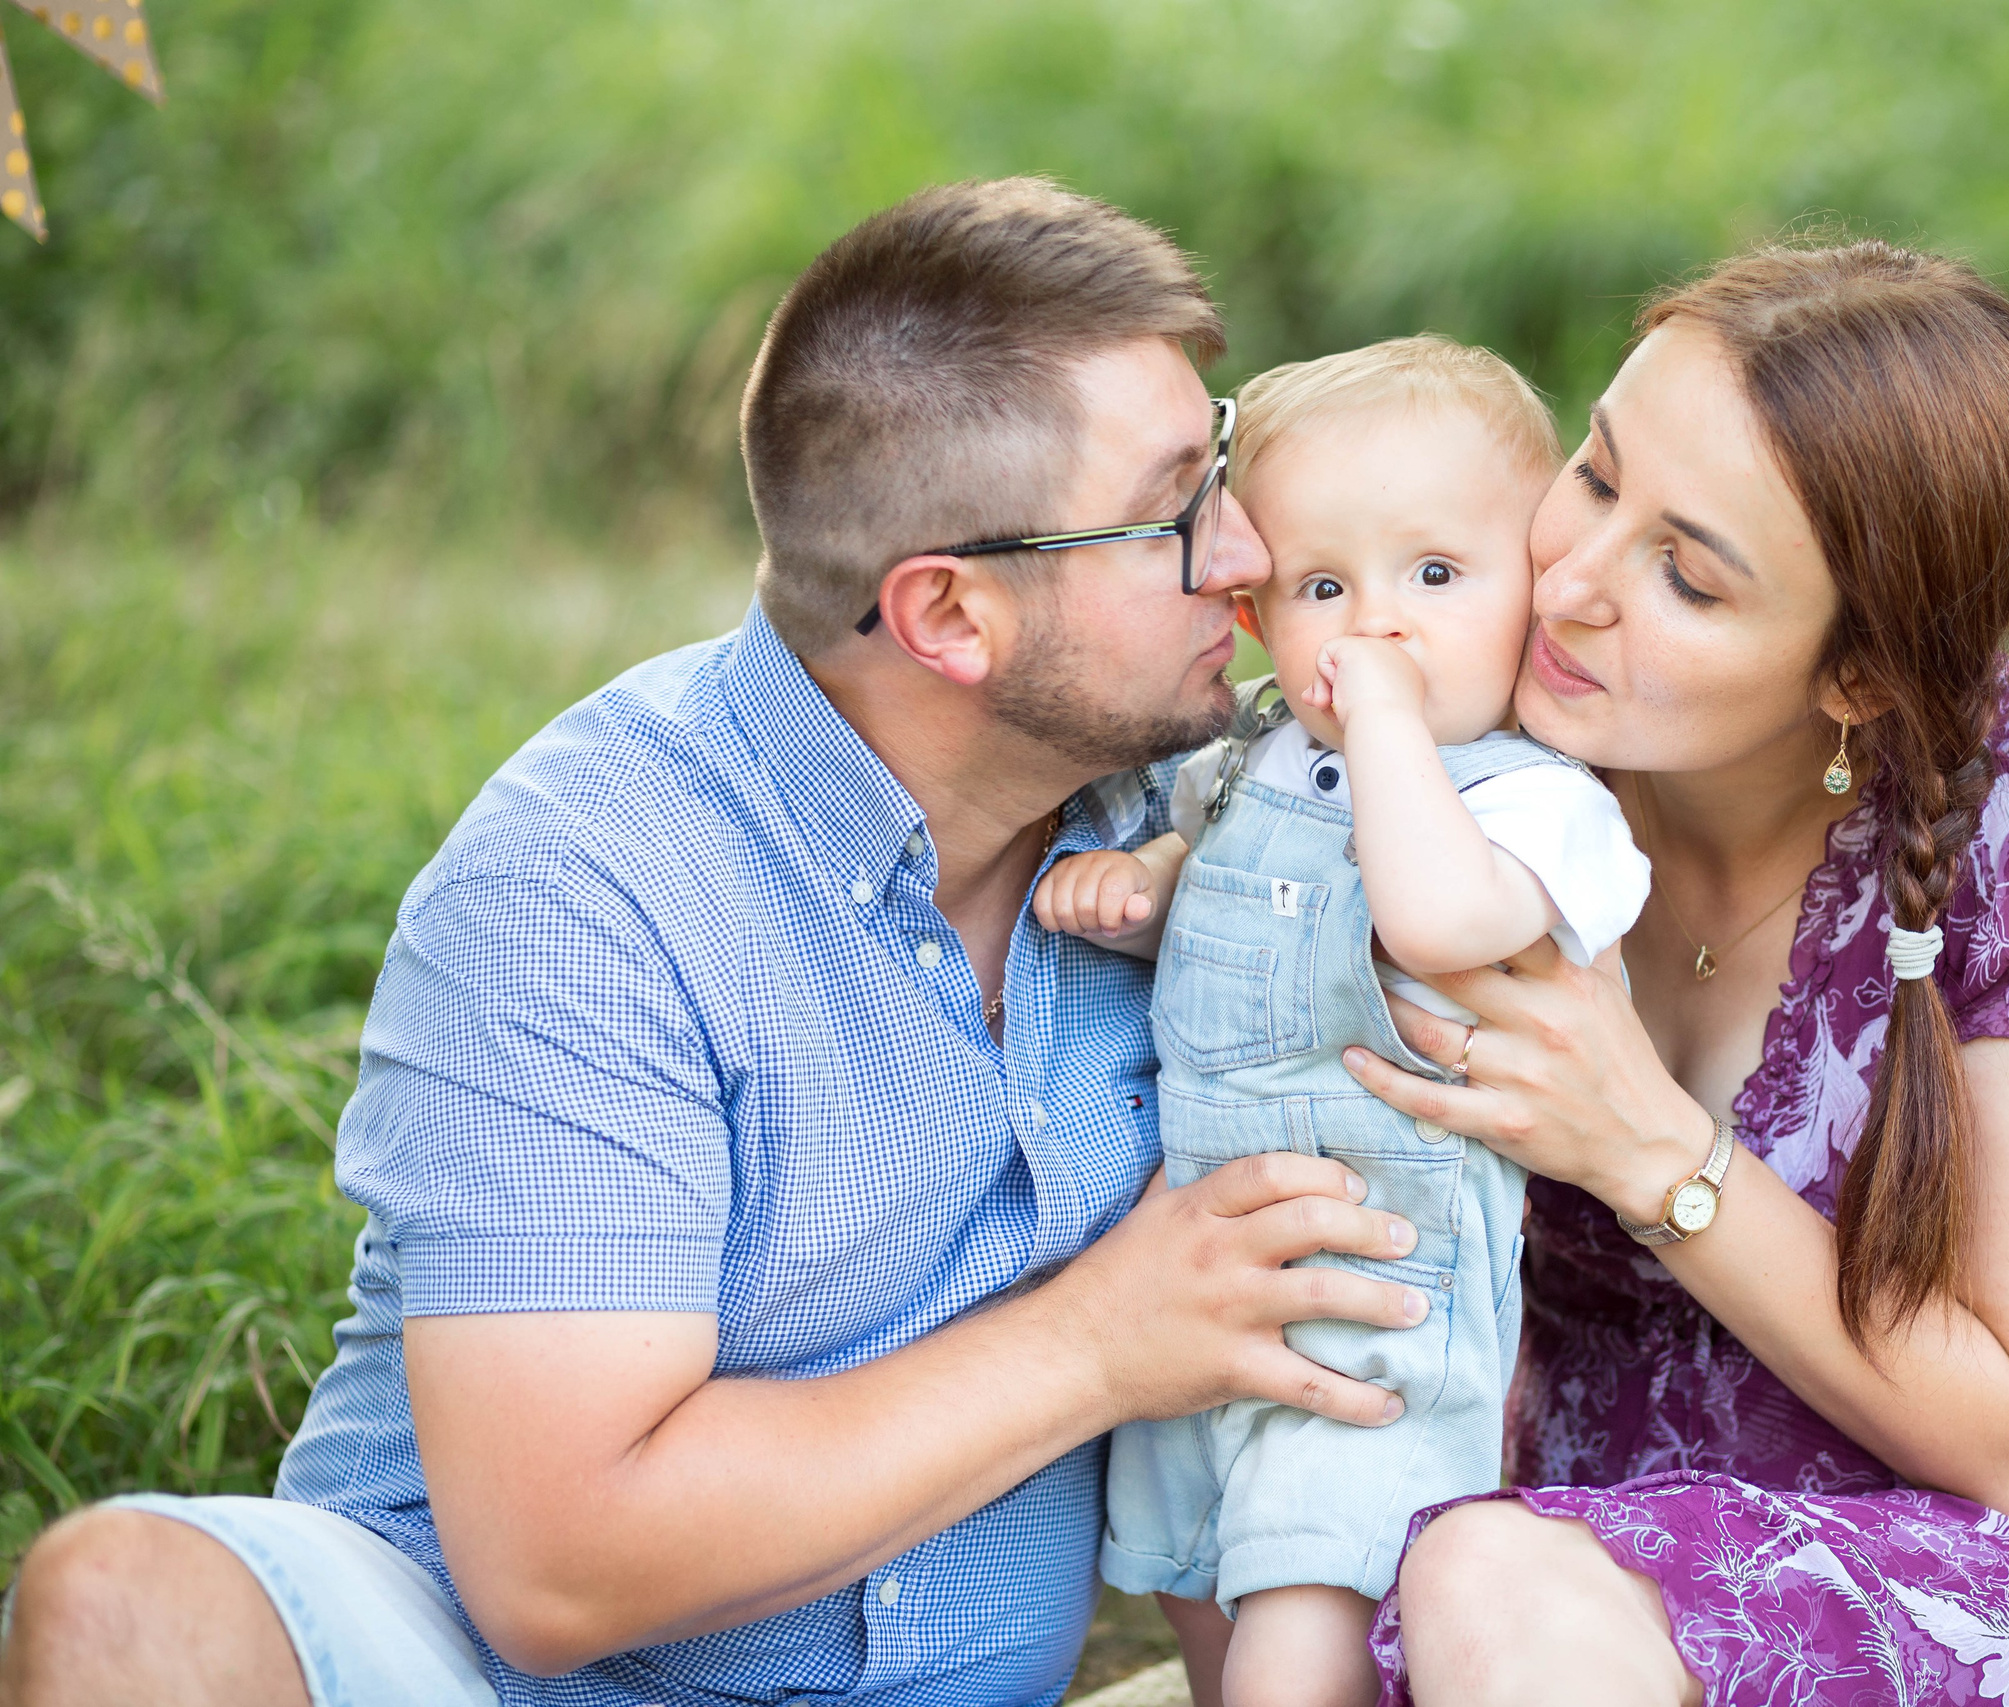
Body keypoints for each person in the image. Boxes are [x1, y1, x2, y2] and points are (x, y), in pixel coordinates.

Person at [0, 178, 1434, 1707]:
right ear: (951, 618)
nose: (1246, 551)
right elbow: (560, 1567)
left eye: (1221, 462)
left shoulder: (1217, 823)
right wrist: (1098, 1342)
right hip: (480, 1682)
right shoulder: (587, 886)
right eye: (1175, 510)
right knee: (128, 1607)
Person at [1338, 244, 2009, 1705]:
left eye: (1687, 576)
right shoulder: (1471, 761)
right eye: (1597, 476)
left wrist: (1650, 1150)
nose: (1570, 584)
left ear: (1856, 675)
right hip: (1594, 1581)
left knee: (1485, 1587)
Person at [1033, 337, 1650, 1707]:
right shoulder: (1248, 765)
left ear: (1531, 590)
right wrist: (1142, 889)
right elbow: (1231, 897)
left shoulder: (1537, 802)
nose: (1379, 626)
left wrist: (1381, 722)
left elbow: (1433, 920)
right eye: (1325, 588)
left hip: (1380, 1316)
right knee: (1199, 1592)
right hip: (1204, 1285)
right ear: (1261, 616)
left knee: (1297, 1639)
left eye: (1435, 575)